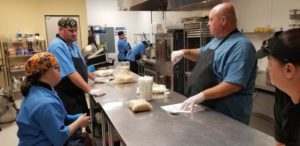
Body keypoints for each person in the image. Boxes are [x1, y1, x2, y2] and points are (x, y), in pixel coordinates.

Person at [171, 2, 257, 124]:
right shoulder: (217, 41)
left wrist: (201, 96)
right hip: (209, 112)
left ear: (223, 20)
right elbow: (202, 53)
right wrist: (184, 52)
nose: (208, 23)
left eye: (211, 20)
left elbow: (233, 84)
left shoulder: (241, 46)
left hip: (229, 118)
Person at [17, 52, 90, 146]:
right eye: (56, 68)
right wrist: (78, 123)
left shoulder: (39, 89)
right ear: (43, 74)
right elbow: (59, 138)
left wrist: (76, 117)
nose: (60, 70)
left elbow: (60, 117)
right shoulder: (45, 102)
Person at [48, 17, 104, 115]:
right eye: (70, 31)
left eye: (75, 30)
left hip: (77, 90)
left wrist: (95, 78)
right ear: (60, 30)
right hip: (66, 94)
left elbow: (81, 66)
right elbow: (71, 73)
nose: (74, 33)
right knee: (72, 123)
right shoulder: (57, 46)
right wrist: (90, 89)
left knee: (82, 118)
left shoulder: (73, 44)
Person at [256, 28, 300, 146]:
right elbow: (280, 142)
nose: (268, 68)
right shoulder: (284, 94)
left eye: (270, 63)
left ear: (289, 70)